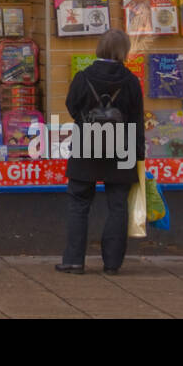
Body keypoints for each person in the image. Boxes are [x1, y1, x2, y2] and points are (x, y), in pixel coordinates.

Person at [57, 28, 146, 275]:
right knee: (118, 206)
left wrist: (88, 122)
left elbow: (72, 106)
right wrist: (139, 155)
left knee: (78, 204)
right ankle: (112, 263)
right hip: (122, 148)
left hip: (88, 145)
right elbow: (137, 119)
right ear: (123, 51)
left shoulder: (83, 77)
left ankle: (74, 261)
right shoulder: (130, 81)